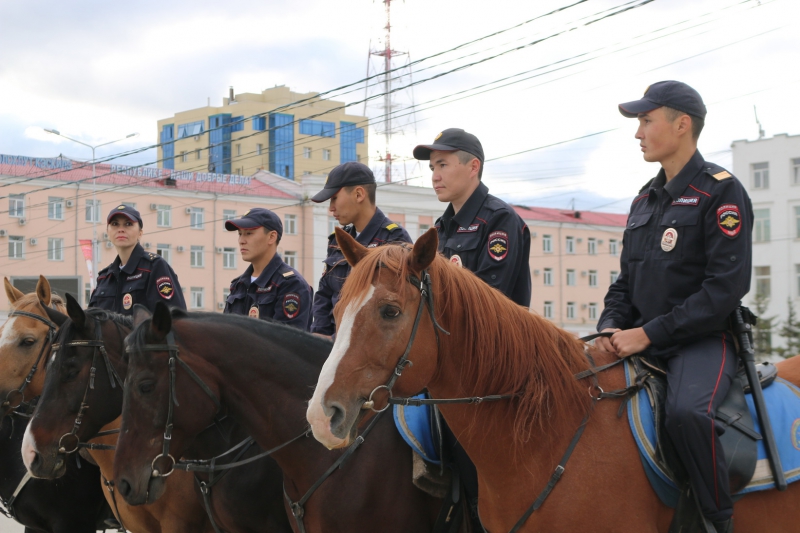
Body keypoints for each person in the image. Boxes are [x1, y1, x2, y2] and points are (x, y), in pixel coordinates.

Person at [595, 81, 753, 533]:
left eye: (647, 120)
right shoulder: (643, 198)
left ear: (681, 125)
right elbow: (626, 282)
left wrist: (647, 334)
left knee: (686, 413)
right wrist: (609, 327)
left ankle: (716, 518)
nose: (638, 132)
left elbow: (724, 288)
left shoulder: (721, 192)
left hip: (702, 340)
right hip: (637, 338)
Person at [413, 128, 531, 532]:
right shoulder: (441, 229)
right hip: (452, 369)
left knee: (483, 487)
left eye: (443, 165)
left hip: (492, 374)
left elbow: (490, 305)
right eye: (432, 167)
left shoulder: (499, 220)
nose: (434, 175)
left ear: (473, 166)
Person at [310, 162, 412, 337]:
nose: (331, 207)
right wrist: (319, 335)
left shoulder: (394, 239)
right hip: (330, 348)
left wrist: (335, 341)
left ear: (358, 194)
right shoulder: (338, 241)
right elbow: (324, 295)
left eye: (334, 198)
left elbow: (396, 309)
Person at [224, 207, 313, 330]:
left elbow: (287, 343)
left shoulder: (291, 284)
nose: (241, 241)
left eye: (249, 233)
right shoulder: (238, 285)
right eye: (240, 234)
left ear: (271, 237)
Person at [90, 205, 186, 314]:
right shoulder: (104, 277)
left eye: (128, 224)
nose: (121, 229)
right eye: (115, 224)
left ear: (140, 233)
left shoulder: (154, 266)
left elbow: (174, 319)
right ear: (108, 233)